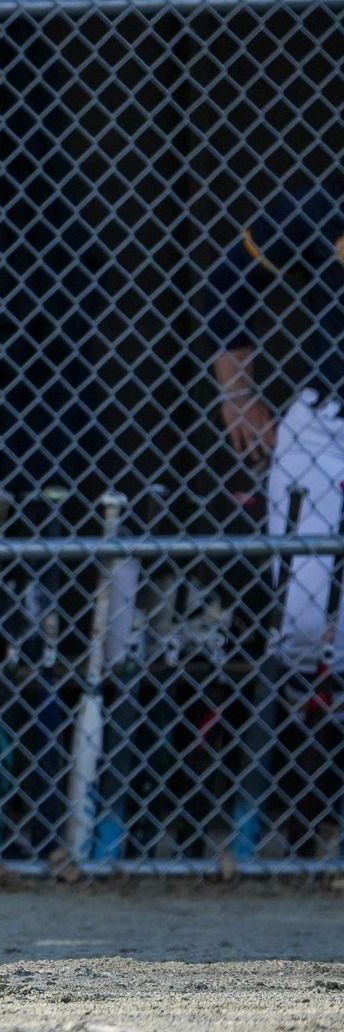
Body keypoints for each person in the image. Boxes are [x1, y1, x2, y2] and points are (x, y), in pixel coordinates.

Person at [205, 170, 344, 860]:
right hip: (325, 419)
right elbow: (229, 278)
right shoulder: (325, 199)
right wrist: (238, 393)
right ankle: (299, 819)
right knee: (300, 626)